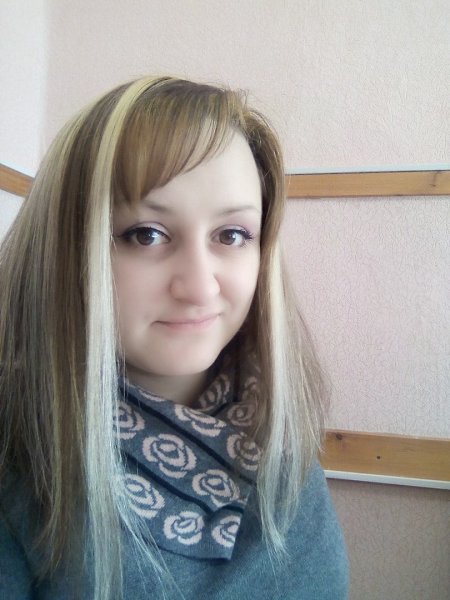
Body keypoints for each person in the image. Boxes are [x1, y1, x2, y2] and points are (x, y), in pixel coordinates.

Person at [0, 76, 348, 599]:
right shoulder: (19, 463)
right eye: (146, 234)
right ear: (67, 252)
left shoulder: (278, 435)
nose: (200, 287)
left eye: (232, 235)